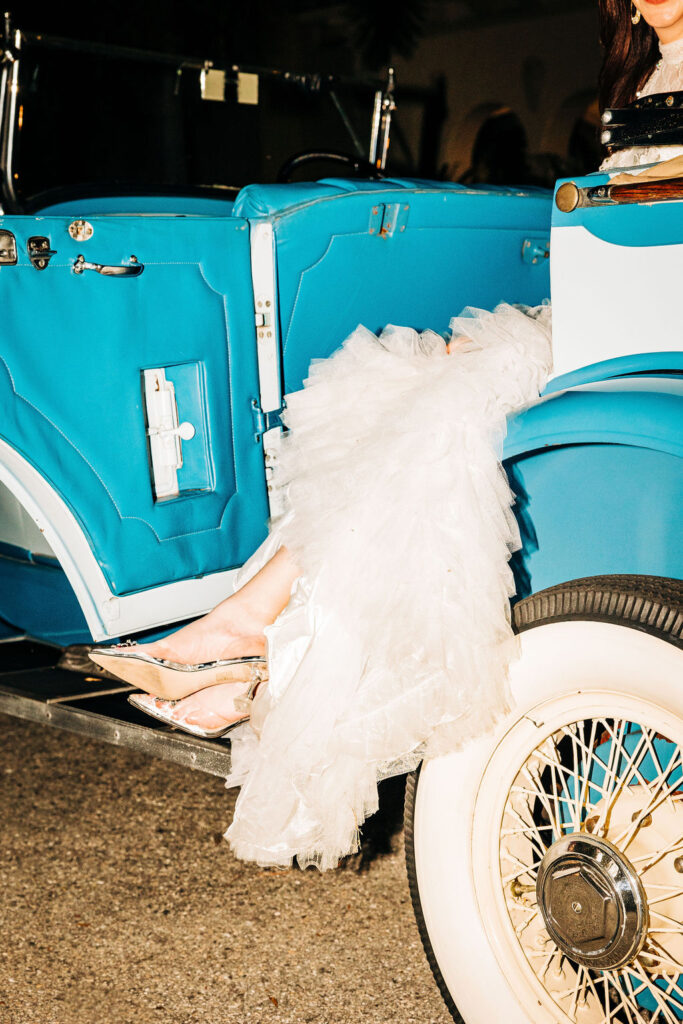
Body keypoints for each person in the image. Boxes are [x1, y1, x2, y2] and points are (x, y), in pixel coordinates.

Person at [91, 0, 683, 869]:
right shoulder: (639, 69)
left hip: (645, 318)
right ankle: (247, 631)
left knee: (445, 404)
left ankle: (241, 641)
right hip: (615, 302)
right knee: (397, 391)